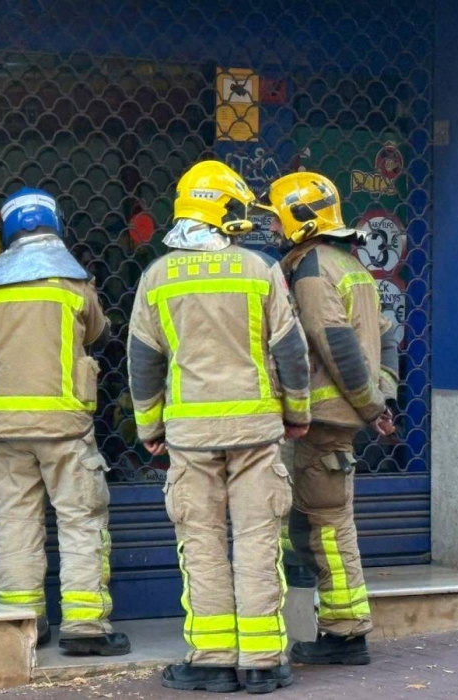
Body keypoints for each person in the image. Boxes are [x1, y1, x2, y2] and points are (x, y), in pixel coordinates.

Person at [128, 161, 311, 693]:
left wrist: (149, 428)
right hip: (255, 433)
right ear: (225, 212)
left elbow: (143, 362)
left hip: (190, 437)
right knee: (258, 543)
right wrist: (296, 414)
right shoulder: (260, 270)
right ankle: (261, 662)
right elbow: (291, 353)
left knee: (202, 544)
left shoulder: (157, 277)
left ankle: (210, 662)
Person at [0, 188, 130, 656]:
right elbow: (102, 335)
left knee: (15, 522)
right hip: (65, 427)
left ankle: (23, 625)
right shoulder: (74, 283)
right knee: (80, 519)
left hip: (5, 428)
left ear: (1, 234)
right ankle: (86, 626)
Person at [258, 171, 399, 666]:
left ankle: (344, 633)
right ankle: (338, 625)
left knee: (326, 527)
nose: (273, 228)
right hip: (341, 416)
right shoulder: (348, 264)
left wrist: (371, 405)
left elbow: (332, 343)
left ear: (299, 219)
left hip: (321, 419)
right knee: (321, 523)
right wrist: (383, 397)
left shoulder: (312, 268)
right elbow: (387, 333)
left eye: (278, 217)